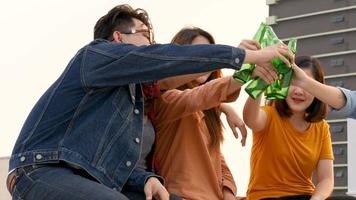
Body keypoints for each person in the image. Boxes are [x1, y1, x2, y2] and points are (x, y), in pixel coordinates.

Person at [7, 4, 293, 200]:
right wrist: (244, 57)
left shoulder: (136, 102)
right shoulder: (95, 55)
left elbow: (184, 83)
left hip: (95, 181)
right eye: (145, 35)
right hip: (42, 169)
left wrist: (144, 179)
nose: (152, 43)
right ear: (118, 37)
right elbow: (166, 61)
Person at [152, 27, 250, 200]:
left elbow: (216, 159)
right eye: (200, 54)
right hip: (180, 195)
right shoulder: (166, 99)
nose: (207, 62)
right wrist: (242, 69)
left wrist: (228, 193)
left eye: (210, 55)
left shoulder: (209, 110)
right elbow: (197, 97)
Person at [243, 56, 334, 200]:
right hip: (267, 196)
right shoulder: (269, 115)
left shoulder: (321, 128)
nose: (298, 91)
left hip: (305, 195)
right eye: (293, 82)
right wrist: (261, 82)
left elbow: (326, 180)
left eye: (305, 85)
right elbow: (250, 119)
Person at [291, 62, 356, 119]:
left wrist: (305, 82)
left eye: (307, 87)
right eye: (293, 83)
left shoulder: (321, 128)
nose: (299, 92)